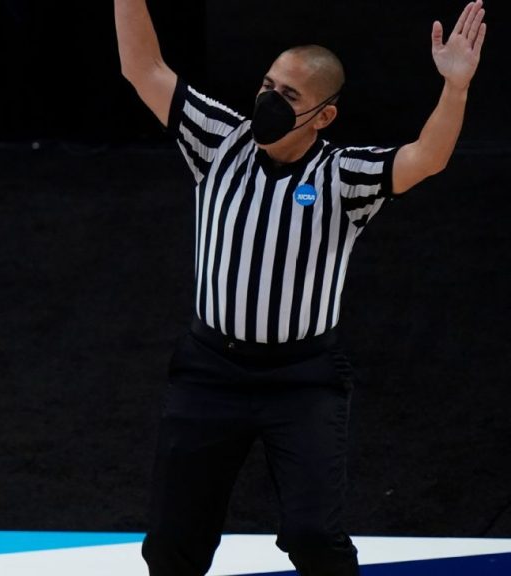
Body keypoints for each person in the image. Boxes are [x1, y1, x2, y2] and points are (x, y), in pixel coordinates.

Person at [115, 1, 486, 575]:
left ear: (323, 116)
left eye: (288, 96)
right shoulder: (219, 140)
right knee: (170, 541)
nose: (269, 101)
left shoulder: (342, 177)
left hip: (302, 379)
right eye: (267, 85)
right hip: (210, 369)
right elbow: (143, 68)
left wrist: (455, 87)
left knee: (314, 537)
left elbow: (427, 158)